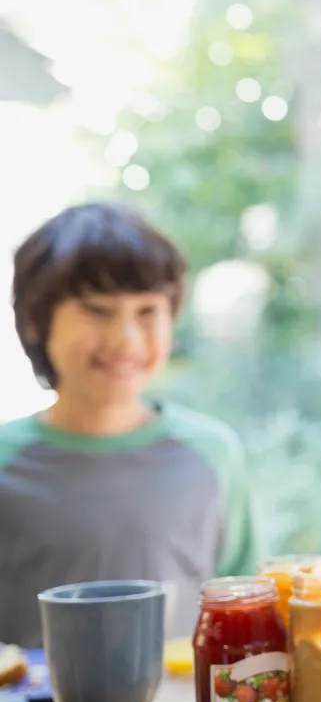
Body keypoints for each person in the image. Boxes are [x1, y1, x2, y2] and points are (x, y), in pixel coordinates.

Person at [0, 203, 261, 648]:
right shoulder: (7, 461)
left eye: (148, 311)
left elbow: (246, 617)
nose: (126, 340)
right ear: (34, 322)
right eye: (96, 310)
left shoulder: (213, 454)